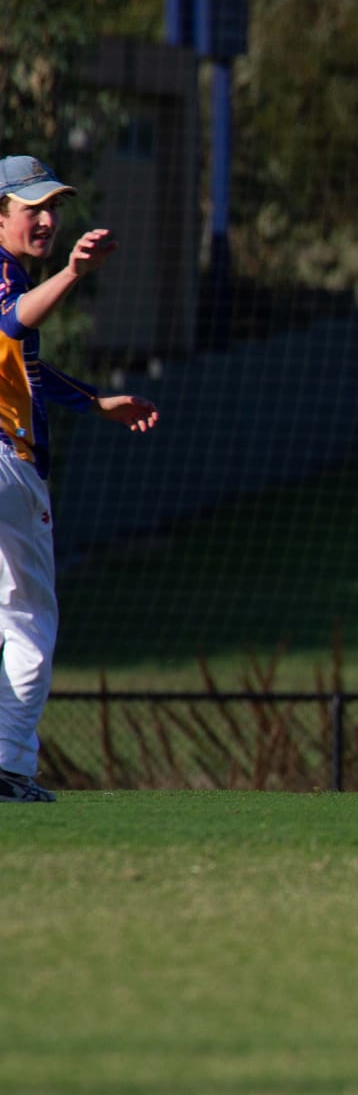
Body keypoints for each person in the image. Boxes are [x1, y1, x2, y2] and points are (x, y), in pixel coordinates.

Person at [0, 156, 160, 802]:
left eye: (53, 207)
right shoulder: (6, 275)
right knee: (29, 621)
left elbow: (22, 363)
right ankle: (8, 766)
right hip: (8, 465)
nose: (47, 219)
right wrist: (71, 272)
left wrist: (95, 402)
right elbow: (13, 322)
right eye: (31, 208)